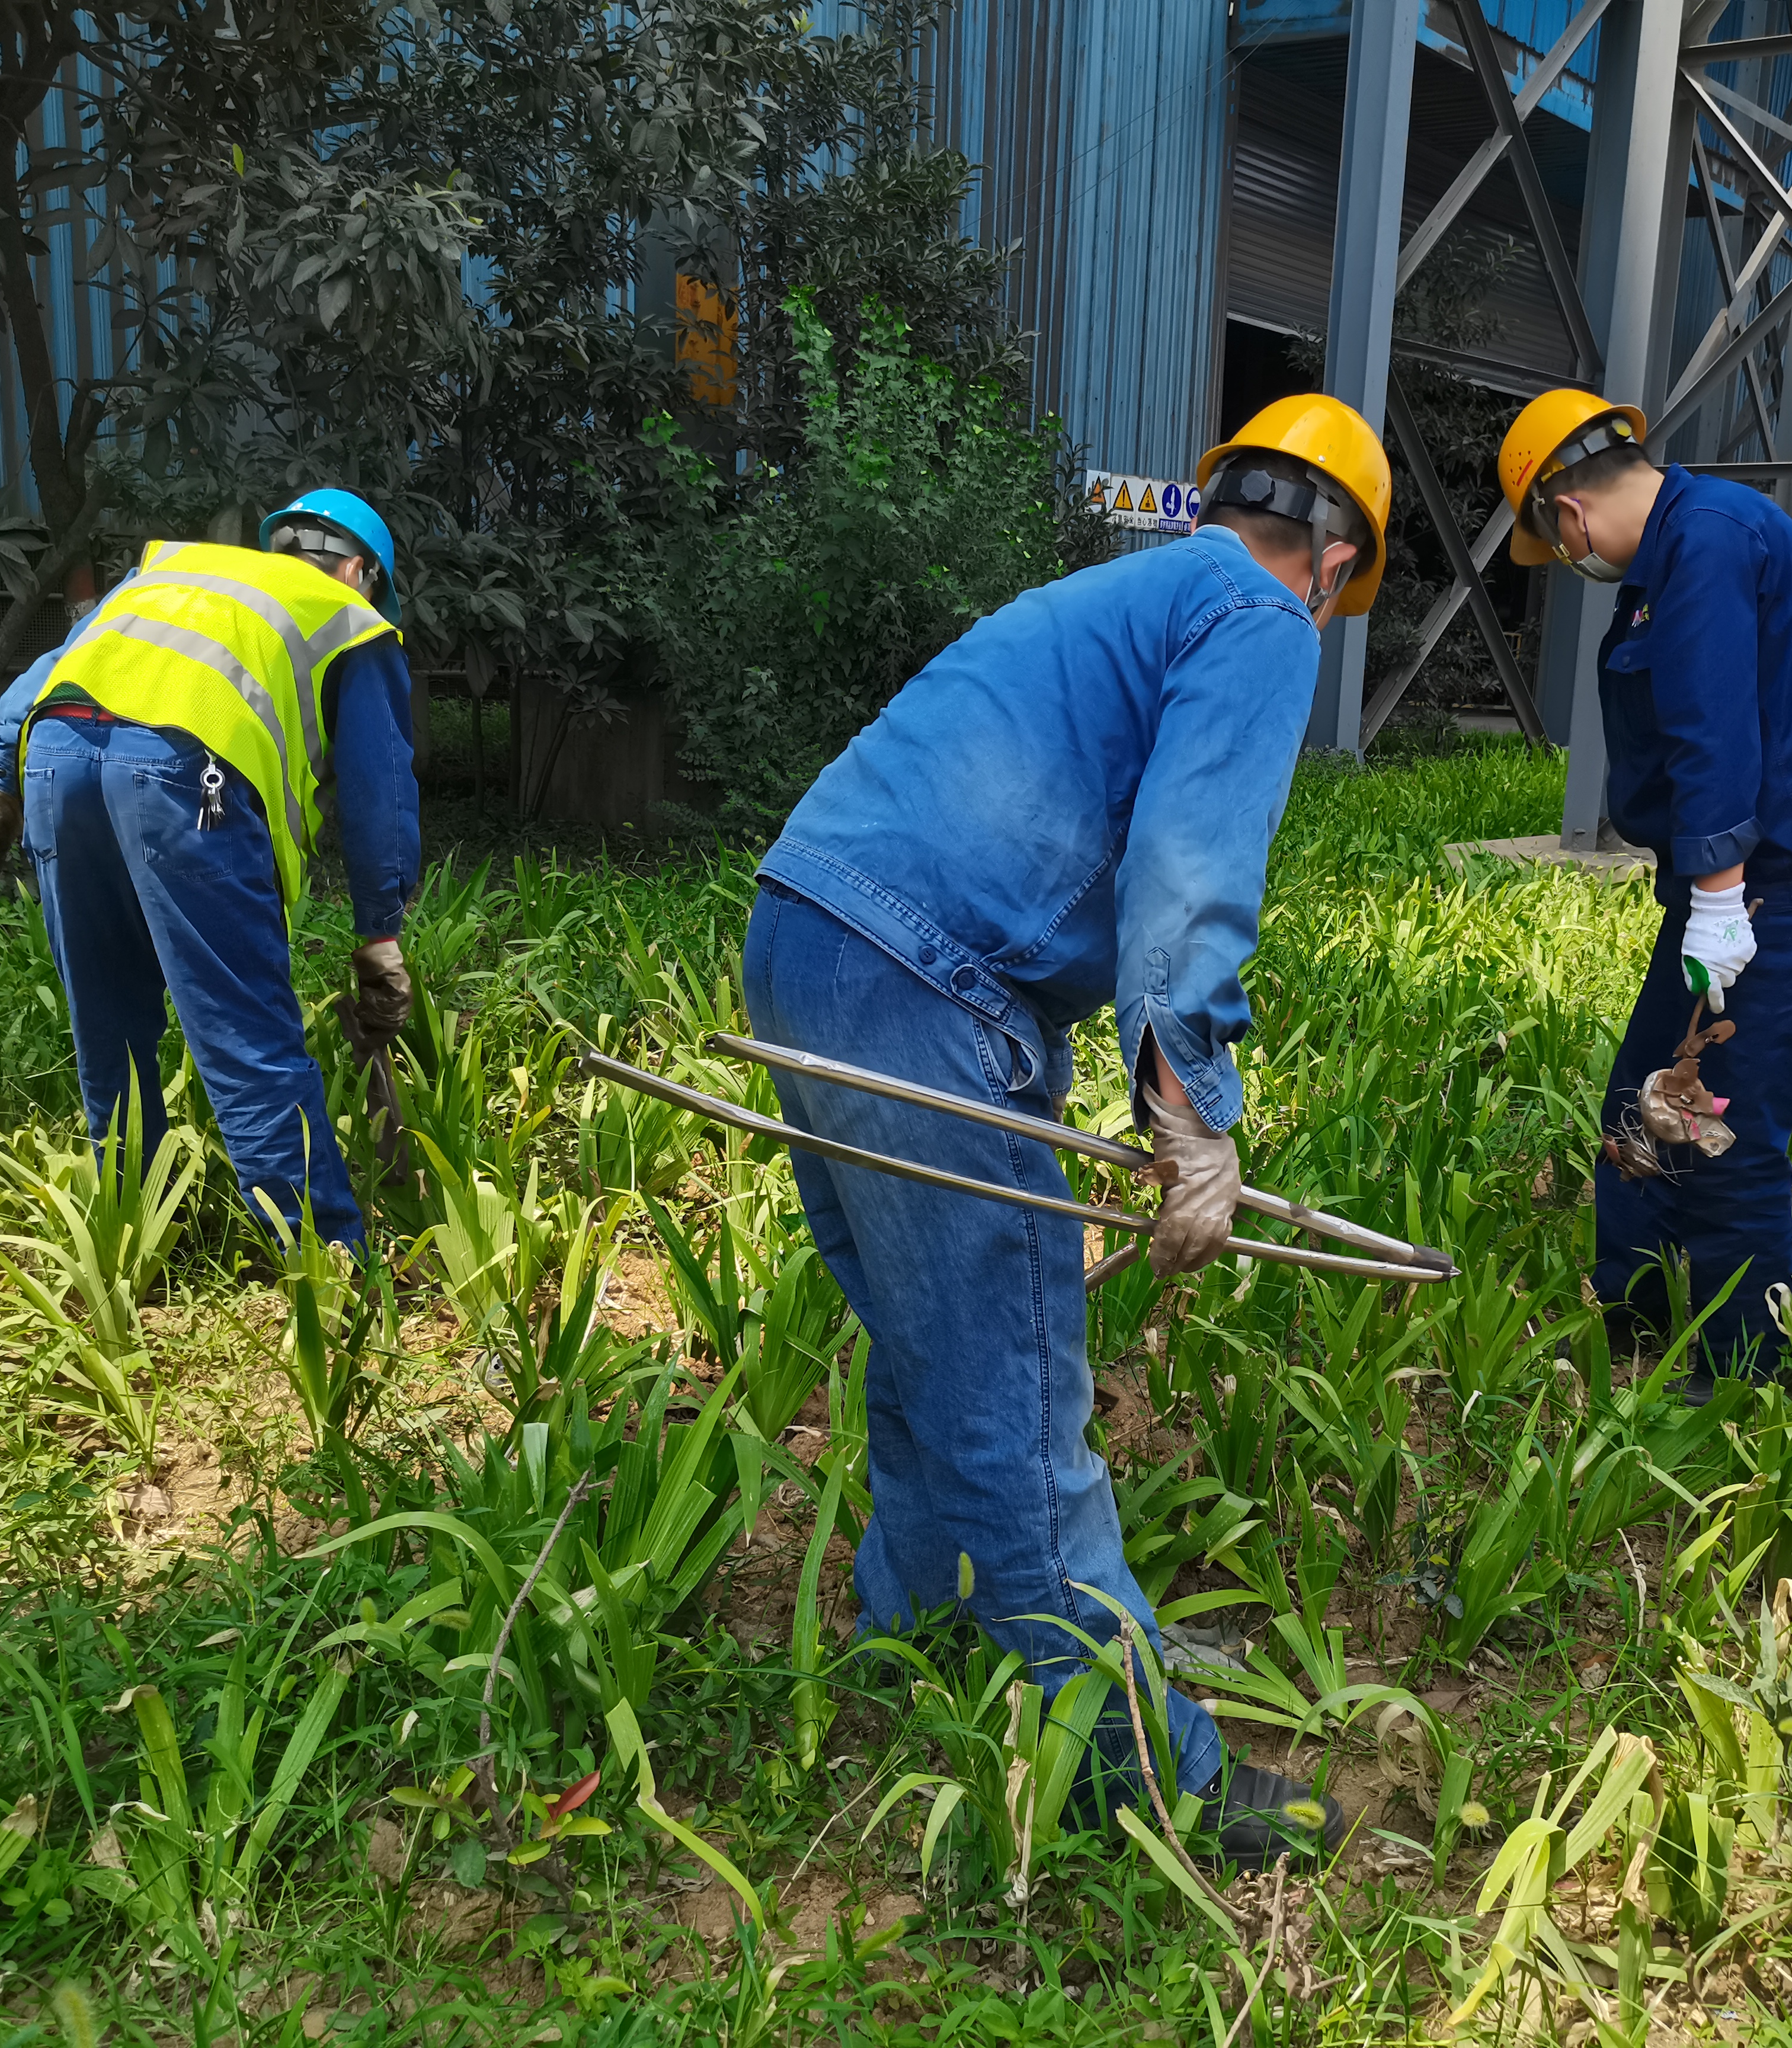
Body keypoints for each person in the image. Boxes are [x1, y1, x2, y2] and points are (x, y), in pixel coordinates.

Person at [743, 396, 1391, 1868]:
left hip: (805, 926)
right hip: (920, 974)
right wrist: (1193, 1116)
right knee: (1023, 1399)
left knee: (932, 1348)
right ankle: (1142, 1773)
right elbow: (1189, 866)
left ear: (1222, 492)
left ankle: (908, 1648)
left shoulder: (1120, 586)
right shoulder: (1258, 612)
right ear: (1337, 555)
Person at [1497, 391, 1792, 1400]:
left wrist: (1718, 897)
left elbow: (1712, 732)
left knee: (1723, 1130)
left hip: (1776, 886)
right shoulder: (1677, 553)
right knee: (1647, 1102)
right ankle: (1637, 1310)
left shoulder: (1705, 544)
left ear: (1565, 516)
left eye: (1556, 545)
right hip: (1737, 885)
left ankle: (1746, 1382)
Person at [0, 490, 423, 1249]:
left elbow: (50, 674)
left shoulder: (169, 569)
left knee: (109, 1026)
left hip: (55, 762)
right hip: (192, 785)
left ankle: (134, 1241)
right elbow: (375, 795)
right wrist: (378, 934)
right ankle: (328, 1271)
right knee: (244, 1035)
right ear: (361, 570)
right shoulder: (352, 620)